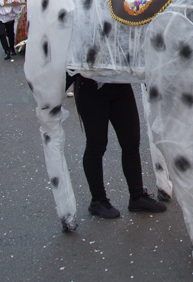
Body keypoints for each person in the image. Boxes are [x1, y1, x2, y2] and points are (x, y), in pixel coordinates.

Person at [68, 73, 167, 219]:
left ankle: (137, 196)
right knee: (96, 145)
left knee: (131, 142)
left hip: (120, 82)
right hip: (90, 85)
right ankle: (98, 200)